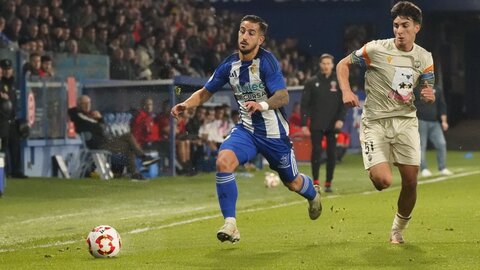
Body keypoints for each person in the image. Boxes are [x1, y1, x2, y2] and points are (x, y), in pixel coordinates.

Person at [171, 15, 322, 243]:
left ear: (260, 39)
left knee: (292, 183)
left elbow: (282, 96)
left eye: (251, 33)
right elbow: (206, 91)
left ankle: (313, 194)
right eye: (242, 31)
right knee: (223, 161)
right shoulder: (229, 65)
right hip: (247, 131)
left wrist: (261, 105)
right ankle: (231, 224)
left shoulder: (268, 62)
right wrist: (186, 104)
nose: (244, 36)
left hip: (274, 136)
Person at [336, 1, 436, 244]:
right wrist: (346, 92)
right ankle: (377, 166)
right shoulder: (375, 49)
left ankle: (397, 229)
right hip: (375, 123)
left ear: (417, 28)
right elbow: (342, 64)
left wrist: (429, 94)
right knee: (383, 182)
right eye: (396, 25)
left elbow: (427, 87)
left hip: (405, 122)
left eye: (405, 25)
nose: (399, 30)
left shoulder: (424, 57)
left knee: (411, 181)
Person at [68, 95, 159, 180]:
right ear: (79, 104)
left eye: (89, 103)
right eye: (85, 103)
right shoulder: (77, 114)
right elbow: (94, 125)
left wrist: (100, 119)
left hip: (106, 140)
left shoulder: (90, 115)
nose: (88, 105)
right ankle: (138, 166)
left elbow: (102, 126)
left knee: (128, 136)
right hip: (98, 144)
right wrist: (98, 119)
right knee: (129, 146)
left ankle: (140, 163)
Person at [301, 53, 346, 193]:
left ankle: (328, 183)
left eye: (329, 63)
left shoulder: (338, 82)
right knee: (316, 152)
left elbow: (343, 103)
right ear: (320, 65)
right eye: (324, 63)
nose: (326, 66)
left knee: (332, 154)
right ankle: (315, 182)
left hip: (333, 124)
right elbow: (305, 105)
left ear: (332, 65)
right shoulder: (311, 82)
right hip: (317, 123)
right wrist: (304, 124)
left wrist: (340, 119)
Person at [414, 86, 452, 177]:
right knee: (421, 146)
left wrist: (444, 121)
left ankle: (442, 167)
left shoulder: (437, 89)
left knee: (441, 144)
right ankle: (423, 169)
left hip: (434, 121)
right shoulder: (416, 89)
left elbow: (442, 105)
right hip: (421, 121)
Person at [0, 59, 28, 178]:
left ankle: (17, 171)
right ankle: (4, 171)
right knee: (3, 147)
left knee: (15, 146)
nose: (7, 71)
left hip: (13, 119)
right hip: (2, 120)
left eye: (9, 69)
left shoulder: (14, 83)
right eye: (4, 69)